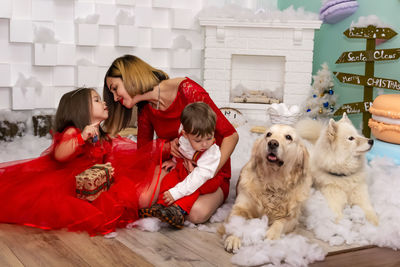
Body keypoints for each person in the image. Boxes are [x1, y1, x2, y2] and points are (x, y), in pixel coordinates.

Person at [0, 88, 163, 236]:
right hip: (67, 184)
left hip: (90, 184)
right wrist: (81, 137)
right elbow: (60, 154)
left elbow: (104, 157)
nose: (104, 102)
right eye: (97, 100)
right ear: (80, 110)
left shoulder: (99, 135)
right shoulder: (73, 131)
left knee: (129, 183)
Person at [103, 54, 239, 224]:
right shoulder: (146, 109)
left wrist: (207, 171)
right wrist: (166, 147)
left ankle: (185, 199)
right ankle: (171, 201)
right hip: (177, 167)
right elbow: (143, 153)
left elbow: (231, 135)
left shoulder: (187, 90)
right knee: (142, 201)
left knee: (196, 214)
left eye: (115, 88)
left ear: (130, 77)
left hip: (210, 171)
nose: (115, 97)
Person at [139, 102, 221, 228]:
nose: (205, 144)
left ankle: (178, 211)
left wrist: (176, 193)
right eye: (198, 140)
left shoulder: (211, 153)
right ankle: (161, 206)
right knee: (168, 180)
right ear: (185, 134)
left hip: (205, 180)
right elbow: (183, 150)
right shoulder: (185, 139)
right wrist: (174, 160)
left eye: (209, 138)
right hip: (186, 170)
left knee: (192, 190)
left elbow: (197, 178)